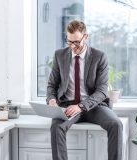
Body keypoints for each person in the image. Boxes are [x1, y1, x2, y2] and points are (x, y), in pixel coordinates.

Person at [47, 20, 123, 160]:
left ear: (85, 37)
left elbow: (101, 91)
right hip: (67, 107)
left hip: (94, 106)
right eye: (69, 42)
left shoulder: (99, 57)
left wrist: (81, 106)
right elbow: (52, 85)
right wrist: (51, 100)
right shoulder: (59, 55)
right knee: (56, 128)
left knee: (116, 124)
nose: (72, 46)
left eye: (76, 42)